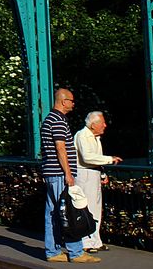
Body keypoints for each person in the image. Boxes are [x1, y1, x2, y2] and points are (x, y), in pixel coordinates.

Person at [41, 88, 99, 264]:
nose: (73, 104)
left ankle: (52, 251)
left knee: (52, 212)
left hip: (51, 172)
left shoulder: (49, 119)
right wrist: (68, 173)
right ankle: (76, 252)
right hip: (59, 173)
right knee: (69, 212)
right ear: (63, 101)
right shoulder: (58, 120)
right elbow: (61, 148)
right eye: (71, 101)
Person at [75, 111, 122, 253]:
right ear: (94, 124)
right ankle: (85, 241)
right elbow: (87, 158)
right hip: (84, 174)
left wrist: (102, 174)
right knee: (86, 208)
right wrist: (109, 159)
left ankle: (95, 240)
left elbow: (95, 158)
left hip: (93, 173)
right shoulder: (82, 135)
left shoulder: (96, 137)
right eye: (102, 123)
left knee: (96, 208)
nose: (105, 125)